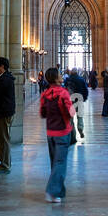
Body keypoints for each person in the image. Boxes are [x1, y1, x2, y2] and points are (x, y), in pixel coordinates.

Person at [39, 68, 74, 204]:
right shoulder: (63, 93)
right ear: (56, 78)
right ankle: (52, 191)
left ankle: (59, 191)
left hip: (50, 132)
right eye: (60, 74)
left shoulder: (45, 94)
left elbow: (43, 114)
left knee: (55, 162)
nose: (62, 76)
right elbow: (71, 113)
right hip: (63, 132)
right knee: (60, 163)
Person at [64, 68, 89, 144]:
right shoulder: (81, 79)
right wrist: (84, 98)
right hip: (79, 99)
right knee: (80, 116)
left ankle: (73, 137)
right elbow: (85, 89)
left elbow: (65, 90)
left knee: (71, 118)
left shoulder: (68, 80)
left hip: (71, 100)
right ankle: (80, 129)